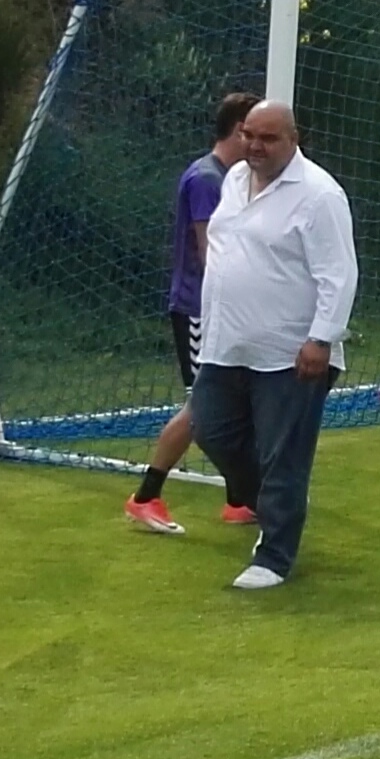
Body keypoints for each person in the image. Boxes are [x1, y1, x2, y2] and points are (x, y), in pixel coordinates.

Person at [191, 101, 356, 591]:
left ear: (293, 139)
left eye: (268, 139)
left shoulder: (319, 196)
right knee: (210, 430)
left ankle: (276, 557)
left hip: (291, 353)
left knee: (284, 454)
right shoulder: (233, 181)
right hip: (226, 344)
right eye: (249, 135)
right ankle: (270, 504)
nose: (255, 147)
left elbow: (339, 275)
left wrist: (320, 339)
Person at [127, 90, 259, 535]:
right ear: (238, 130)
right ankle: (146, 496)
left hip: (223, 309)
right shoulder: (208, 179)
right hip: (200, 309)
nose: (258, 143)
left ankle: (239, 500)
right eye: (253, 132)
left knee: (234, 400)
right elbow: (211, 254)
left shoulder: (234, 178)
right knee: (202, 407)